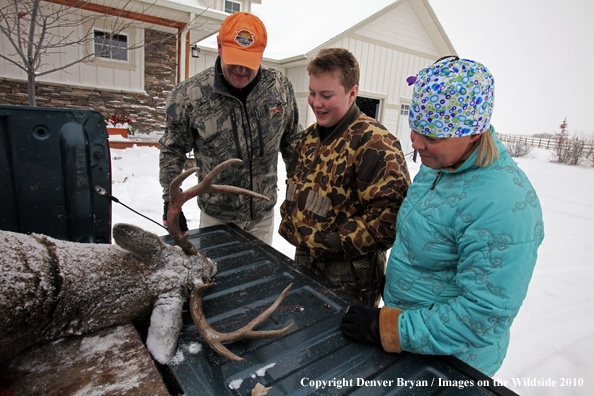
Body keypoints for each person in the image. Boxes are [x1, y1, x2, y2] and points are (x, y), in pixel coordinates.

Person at [342, 57, 544, 376]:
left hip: (453, 363)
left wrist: (387, 329)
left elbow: (480, 317)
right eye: (415, 129)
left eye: (432, 137)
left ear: (474, 134)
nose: (416, 143)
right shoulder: (440, 166)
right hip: (412, 341)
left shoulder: (503, 206)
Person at [278, 48, 411, 307]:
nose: (316, 102)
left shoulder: (375, 144)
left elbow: (389, 222)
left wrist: (328, 241)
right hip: (304, 265)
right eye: (313, 93)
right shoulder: (308, 137)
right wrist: (290, 221)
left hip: (349, 284)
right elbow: (295, 189)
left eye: (327, 95)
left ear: (352, 93)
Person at [159, 12, 302, 244]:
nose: (240, 70)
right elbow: (171, 150)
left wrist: (298, 192)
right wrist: (170, 201)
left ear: (261, 54)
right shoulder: (189, 95)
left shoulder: (279, 87)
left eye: (248, 63)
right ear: (219, 47)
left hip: (262, 217)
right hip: (218, 220)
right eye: (234, 60)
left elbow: (293, 141)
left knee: (259, 278)